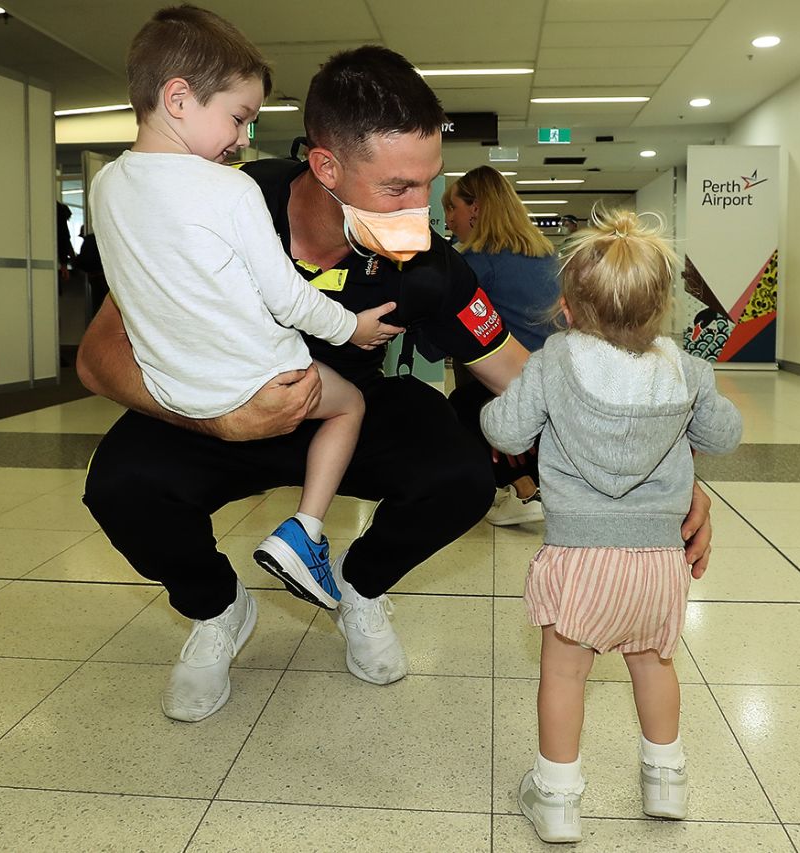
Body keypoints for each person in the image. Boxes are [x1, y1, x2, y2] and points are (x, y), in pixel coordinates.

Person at [77, 40, 715, 724]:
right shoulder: (224, 199)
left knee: (463, 471)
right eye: (396, 188)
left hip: (346, 411)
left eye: (430, 183)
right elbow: (99, 357)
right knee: (119, 485)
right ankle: (218, 609)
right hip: (215, 408)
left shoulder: (429, 267)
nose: (421, 209)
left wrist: (661, 467)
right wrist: (215, 421)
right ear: (325, 165)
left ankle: (359, 584)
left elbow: (535, 382)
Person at [91, 6, 403, 610]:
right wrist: (353, 328)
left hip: (176, 391)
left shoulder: (107, 186)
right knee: (350, 405)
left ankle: (222, 601)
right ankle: (305, 533)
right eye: (238, 118)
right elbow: (286, 298)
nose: (242, 140)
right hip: (261, 376)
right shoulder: (231, 189)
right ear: (178, 98)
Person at [481, 208, 741, 843]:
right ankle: (666, 782)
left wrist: (500, 409)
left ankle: (558, 798)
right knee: (654, 666)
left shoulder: (555, 360)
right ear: (660, 311)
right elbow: (724, 435)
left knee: (565, 673)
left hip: (578, 558)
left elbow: (506, 430)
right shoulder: (681, 367)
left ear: (567, 308)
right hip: (657, 563)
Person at [443, 166, 560, 527]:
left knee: (462, 406)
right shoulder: (545, 253)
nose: (448, 219)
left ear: (475, 210)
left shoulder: (477, 262)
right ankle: (531, 482)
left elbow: (442, 315)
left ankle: (521, 488)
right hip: (558, 374)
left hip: (519, 384)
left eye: (453, 208)